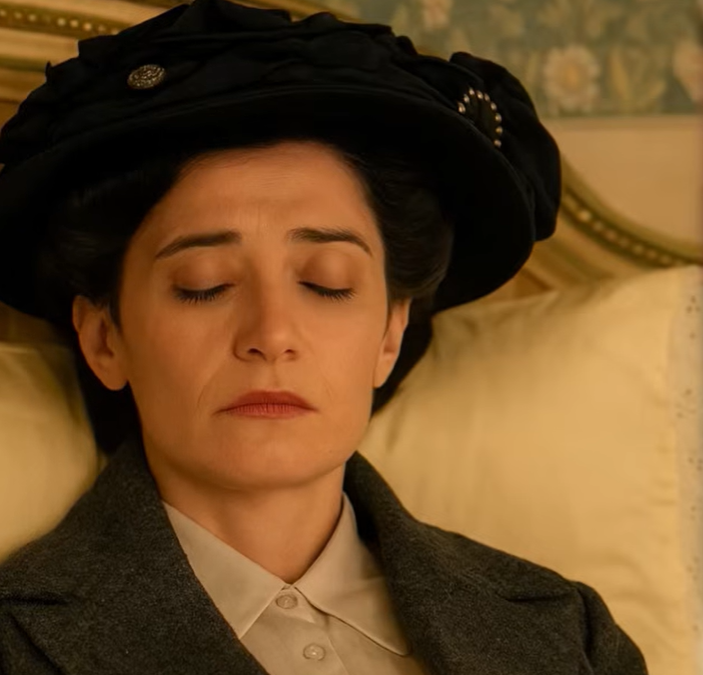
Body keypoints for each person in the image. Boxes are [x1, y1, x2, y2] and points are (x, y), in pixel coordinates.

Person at [0, 1, 648, 673]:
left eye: (327, 283)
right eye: (204, 284)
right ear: (105, 339)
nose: (271, 334)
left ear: (390, 333)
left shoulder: (566, 633)